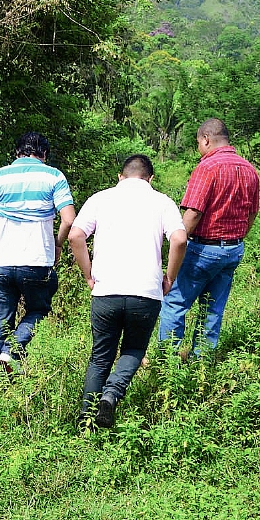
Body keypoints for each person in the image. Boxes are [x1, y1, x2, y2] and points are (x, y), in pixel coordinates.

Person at [69, 154, 187, 429]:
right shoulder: (162, 202)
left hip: (106, 289)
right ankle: (110, 396)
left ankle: (86, 421)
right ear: (151, 179)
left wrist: (88, 274)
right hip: (145, 292)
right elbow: (180, 239)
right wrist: (169, 277)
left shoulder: (100, 199)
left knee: (101, 356)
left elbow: (75, 235)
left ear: (120, 177)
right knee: (133, 349)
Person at [0, 132, 76, 375]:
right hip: (37, 262)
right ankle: (13, 350)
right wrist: (58, 244)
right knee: (39, 310)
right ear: (44, 155)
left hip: (1, 262)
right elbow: (69, 220)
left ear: (16, 153)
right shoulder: (54, 176)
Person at [158, 118, 260, 356]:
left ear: (206, 139)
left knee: (175, 303)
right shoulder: (249, 169)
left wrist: (176, 243)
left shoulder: (207, 167)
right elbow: (252, 212)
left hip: (202, 250)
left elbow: (193, 213)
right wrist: (236, 238)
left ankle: (166, 364)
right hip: (233, 249)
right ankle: (201, 363)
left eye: (198, 143)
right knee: (212, 309)